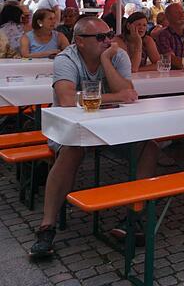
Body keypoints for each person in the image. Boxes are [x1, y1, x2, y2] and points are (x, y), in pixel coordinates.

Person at [30, 17, 158, 257]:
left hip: (111, 129)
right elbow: (67, 101)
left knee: (149, 147)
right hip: (68, 130)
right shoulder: (66, 59)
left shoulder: (115, 55)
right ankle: (47, 226)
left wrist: (106, 61)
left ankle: (133, 216)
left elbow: (128, 92)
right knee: (73, 149)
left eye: (109, 34)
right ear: (79, 41)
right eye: (100, 37)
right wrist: (114, 97)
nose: (108, 40)